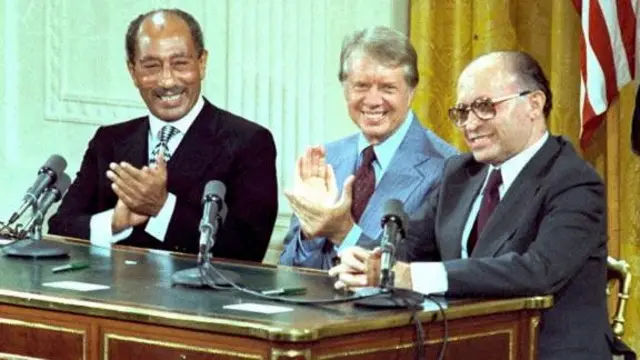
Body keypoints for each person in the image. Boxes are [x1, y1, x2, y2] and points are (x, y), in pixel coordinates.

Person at [329, 51, 613, 359]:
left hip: (541, 350)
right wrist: (367, 261)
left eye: (484, 107)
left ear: (534, 104)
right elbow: (409, 246)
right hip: (461, 345)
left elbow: (537, 271)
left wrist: (414, 277)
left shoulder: (574, 181)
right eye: (463, 111)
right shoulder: (459, 173)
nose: (470, 124)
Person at [48, 9, 278, 262]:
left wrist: (163, 208)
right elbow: (60, 227)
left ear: (202, 63)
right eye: (151, 66)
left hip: (200, 300)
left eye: (180, 64)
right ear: (133, 72)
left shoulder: (248, 142)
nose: (167, 81)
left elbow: (249, 249)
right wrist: (115, 222)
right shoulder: (109, 141)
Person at [279, 26, 456, 270]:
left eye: (387, 88)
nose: (372, 101)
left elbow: (423, 273)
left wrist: (343, 232)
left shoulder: (448, 167)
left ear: (412, 91)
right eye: (361, 86)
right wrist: (311, 233)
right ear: (345, 89)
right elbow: (288, 270)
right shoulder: (327, 158)